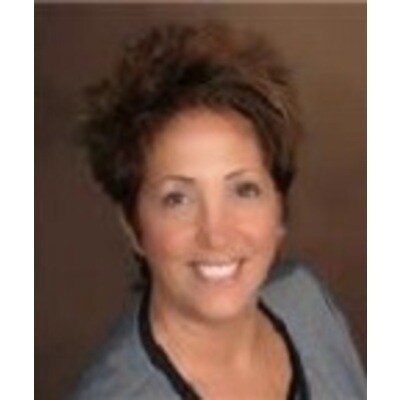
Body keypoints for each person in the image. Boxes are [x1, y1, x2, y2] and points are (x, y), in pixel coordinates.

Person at [71, 22, 366, 399]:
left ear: (279, 209)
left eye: (244, 190)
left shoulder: (306, 302)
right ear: (133, 226)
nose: (216, 234)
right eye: (177, 199)